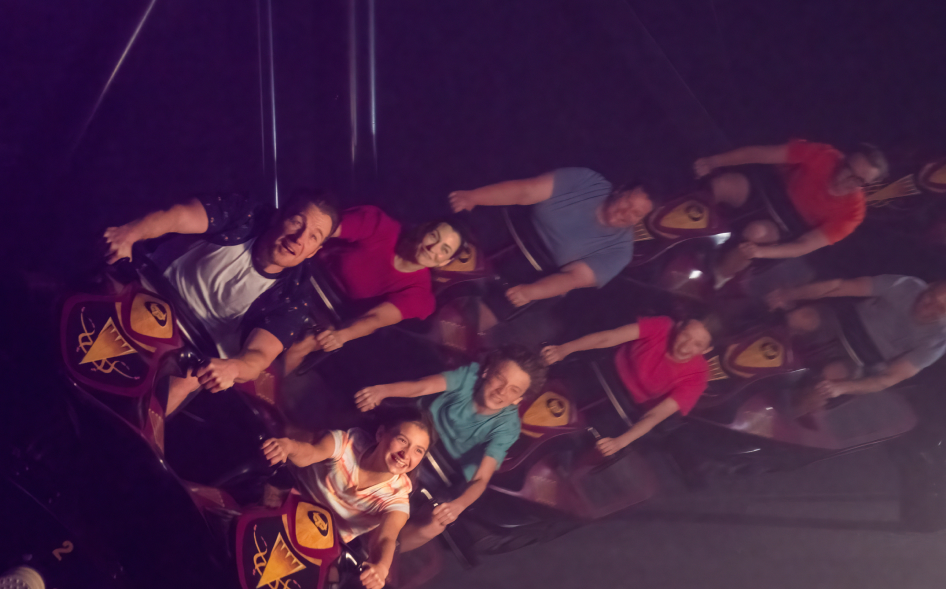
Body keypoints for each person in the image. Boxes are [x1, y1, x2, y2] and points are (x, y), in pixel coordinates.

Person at [101, 189, 340, 414]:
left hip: (190, 352)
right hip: (147, 293)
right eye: (297, 222)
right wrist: (130, 233)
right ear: (278, 216)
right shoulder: (243, 213)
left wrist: (234, 368)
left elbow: (258, 355)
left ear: (312, 251)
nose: (299, 238)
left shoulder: (295, 293)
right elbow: (178, 216)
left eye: (312, 237)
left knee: (180, 386)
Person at [352, 345, 547, 552]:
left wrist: (458, 506)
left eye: (514, 390)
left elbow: (481, 479)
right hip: (423, 429)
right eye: (500, 378)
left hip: (447, 471)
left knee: (436, 521)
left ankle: (374, 555)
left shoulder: (507, 428)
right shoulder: (468, 375)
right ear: (487, 371)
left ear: (518, 399)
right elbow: (422, 387)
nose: (501, 391)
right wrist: (383, 391)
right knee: (380, 434)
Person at [283, 206, 467, 373]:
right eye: (434, 236)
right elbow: (325, 229)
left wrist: (341, 336)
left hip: (330, 313)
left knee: (301, 346)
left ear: (445, 261)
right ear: (423, 231)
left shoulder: (419, 294)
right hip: (300, 272)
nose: (432, 248)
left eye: (444, 249)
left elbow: (376, 319)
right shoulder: (382, 227)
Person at [260, 413, 432, 589]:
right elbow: (311, 453)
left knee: (320, 586)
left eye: (418, 450)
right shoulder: (347, 443)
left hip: (326, 541)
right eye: (402, 440)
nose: (406, 454)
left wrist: (381, 567)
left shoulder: (398, 496)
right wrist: (289, 447)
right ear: (381, 434)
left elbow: (386, 538)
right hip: (290, 501)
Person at [447, 168, 654, 307]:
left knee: (479, 312)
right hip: (505, 230)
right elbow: (526, 191)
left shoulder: (620, 251)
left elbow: (573, 278)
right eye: (628, 202)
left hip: (536, 273)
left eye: (636, 214)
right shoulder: (587, 181)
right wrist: (473, 197)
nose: (627, 213)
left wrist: (532, 292)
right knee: (454, 249)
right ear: (620, 191)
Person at [692, 140, 888, 284]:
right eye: (849, 169)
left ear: (866, 186)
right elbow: (762, 153)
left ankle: (715, 278)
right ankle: (678, 228)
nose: (848, 180)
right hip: (771, 193)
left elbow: (804, 245)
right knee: (724, 184)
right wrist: (714, 161)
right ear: (844, 159)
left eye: (859, 181)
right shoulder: (824, 155)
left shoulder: (854, 213)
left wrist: (761, 251)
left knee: (756, 234)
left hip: (787, 225)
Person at [764, 275, 946, 413]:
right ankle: (753, 358)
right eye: (931, 297)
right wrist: (790, 294)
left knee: (825, 383)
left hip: (862, 359)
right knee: (800, 317)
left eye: (940, 308)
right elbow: (839, 286)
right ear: (929, 286)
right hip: (842, 324)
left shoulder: (937, 340)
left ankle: (779, 417)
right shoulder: (906, 285)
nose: (928, 307)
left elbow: (887, 379)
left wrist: (842, 387)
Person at [541, 316, 713, 456]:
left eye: (697, 344)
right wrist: (564, 349)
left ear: (706, 350)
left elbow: (655, 415)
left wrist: (620, 442)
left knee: (574, 442)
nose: (686, 346)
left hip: (625, 406)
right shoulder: (663, 326)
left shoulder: (699, 376)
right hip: (603, 371)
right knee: (551, 397)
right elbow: (609, 337)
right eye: (685, 335)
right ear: (679, 326)